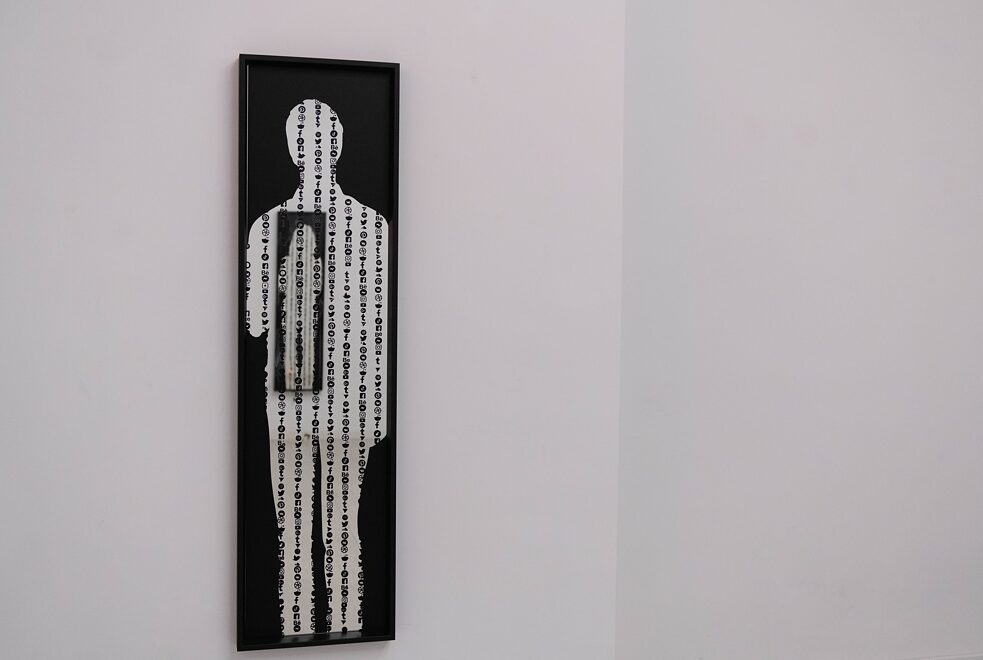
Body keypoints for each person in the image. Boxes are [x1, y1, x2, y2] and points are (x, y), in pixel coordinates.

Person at [246, 99, 389, 635]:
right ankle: (348, 629)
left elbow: (255, 322)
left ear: (292, 150)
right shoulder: (372, 225)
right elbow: (382, 325)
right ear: (339, 147)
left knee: (294, 536)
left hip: (291, 401)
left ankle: (297, 631)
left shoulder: (267, 228)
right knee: (344, 530)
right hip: (351, 401)